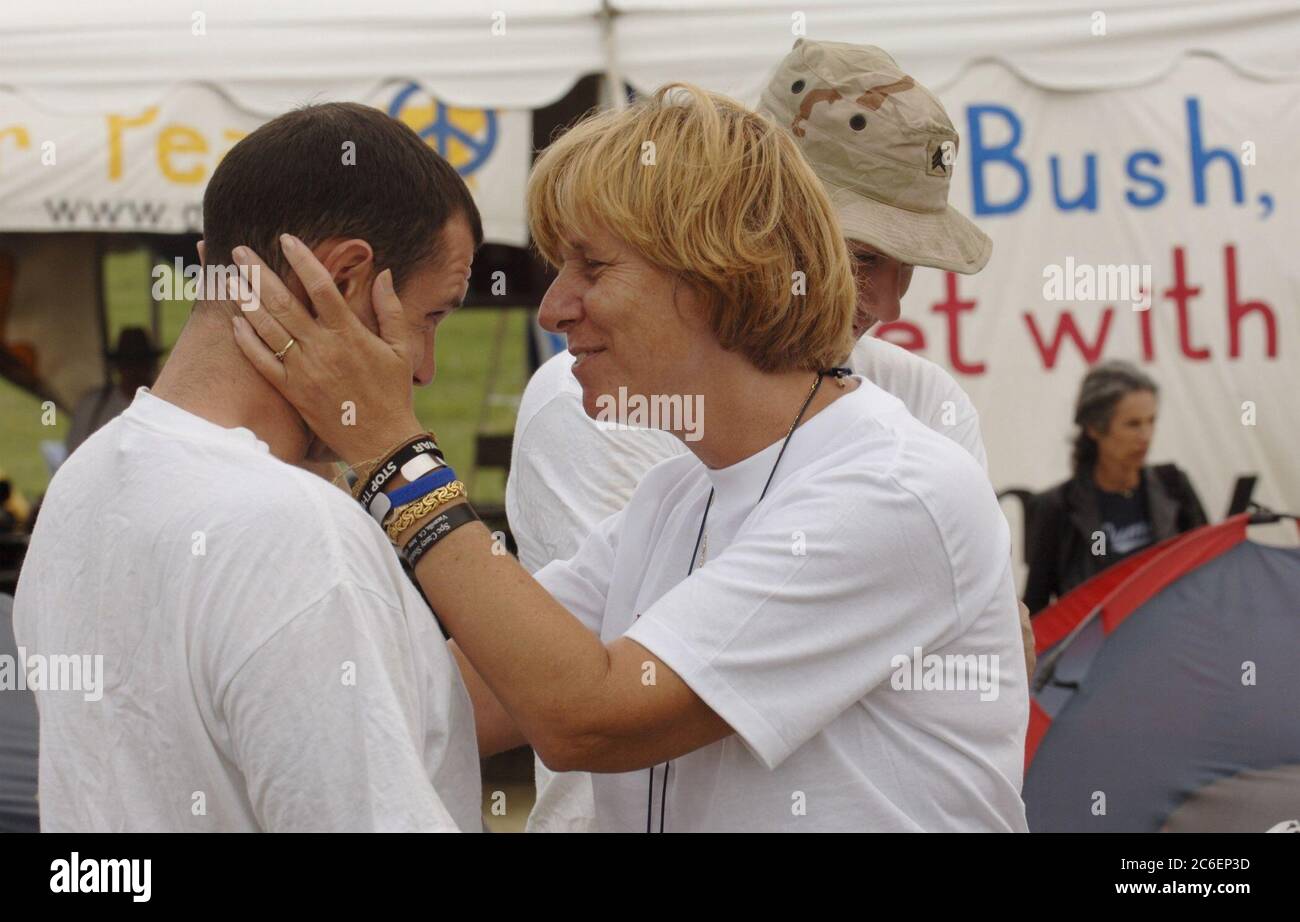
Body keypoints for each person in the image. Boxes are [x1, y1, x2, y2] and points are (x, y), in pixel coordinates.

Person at [231, 83, 1030, 832]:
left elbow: (591, 718)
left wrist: (392, 456)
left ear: (719, 274)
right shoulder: (677, 497)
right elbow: (452, 704)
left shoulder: (891, 489)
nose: (554, 307)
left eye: (593, 266)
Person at [507, 39, 1018, 832]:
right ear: (740, 247)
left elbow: (596, 707)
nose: (884, 298)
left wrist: (396, 467)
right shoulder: (634, 444)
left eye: (905, 260)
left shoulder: (912, 432)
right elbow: (514, 690)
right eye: (861, 251)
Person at [13, 103, 483, 832]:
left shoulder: (86, 477)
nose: (424, 369)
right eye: (431, 318)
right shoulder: (293, 530)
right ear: (346, 275)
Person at [1023, 360, 1208, 614]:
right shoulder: (1056, 507)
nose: (1146, 435)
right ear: (1094, 428)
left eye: (1151, 421)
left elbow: (1209, 574)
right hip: (1095, 648)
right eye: (1132, 424)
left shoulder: (1173, 485)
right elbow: (1036, 606)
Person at [65, 326, 161, 454]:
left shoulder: (166, 406)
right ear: (118, 365)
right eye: (128, 362)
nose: (134, 370)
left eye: (140, 361)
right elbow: (73, 456)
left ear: (150, 364)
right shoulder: (90, 407)